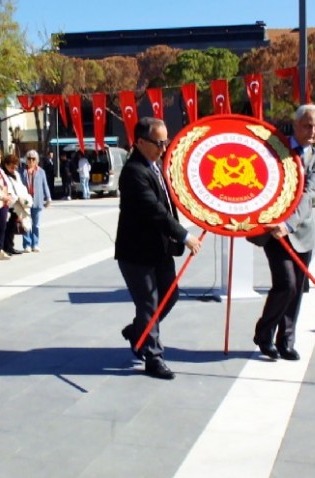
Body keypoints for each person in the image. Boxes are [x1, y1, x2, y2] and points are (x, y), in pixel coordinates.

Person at [116, 117, 202, 380]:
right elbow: (154, 210)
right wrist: (185, 235)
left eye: (166, 141)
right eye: (158, 143)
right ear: (140, 142)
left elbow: (167, 203)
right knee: (150, 304)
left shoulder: (156, 165)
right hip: (137, 253)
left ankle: (136, 332)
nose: (164, 147)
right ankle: (153, 357)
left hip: (160, 251)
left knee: (169, 296)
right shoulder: (133, 172)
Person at [253, 104, 315, 362]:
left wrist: (289, 223)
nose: (313, 131)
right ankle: (264, 334)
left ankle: (285, 341)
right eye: (308, 125)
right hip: (273, 232)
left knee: (297, 290)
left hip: (300, 233)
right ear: (295, 124)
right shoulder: (274, 150)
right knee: (286, 284)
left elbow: (309, 196)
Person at [19, 150, 51, 253]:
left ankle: (35, 244)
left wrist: (48, 198)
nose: (31, 161)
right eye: (29, 159)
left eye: (33, 159)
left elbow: (45, 185)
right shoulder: (22, 171)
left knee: (36, 224)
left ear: (36, 160)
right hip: (25, 202)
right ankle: (27, 244)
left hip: (37, 201)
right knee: (26, 224)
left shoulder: (41, 171)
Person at [2, 154, 28, 256]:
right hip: (8, 203)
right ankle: (4, 247)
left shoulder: (16, 174)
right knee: (6, 227)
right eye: (12, 166)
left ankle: (10, 246)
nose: (14, 168)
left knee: (13, 226)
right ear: (6, 165)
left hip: (17, 203)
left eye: (15, 166)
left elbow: (20, 187)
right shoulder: (4, 175)